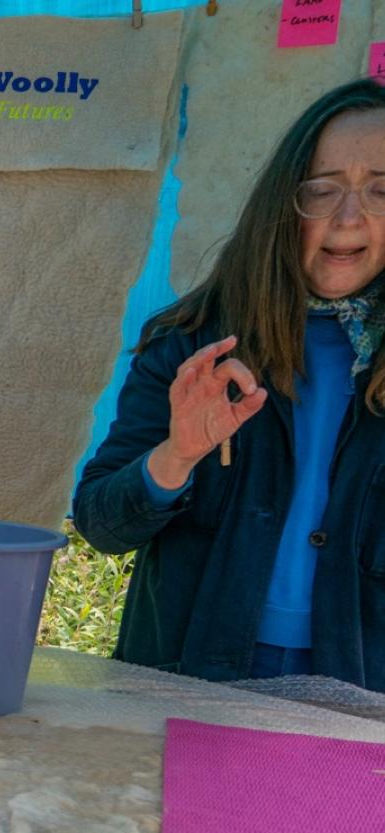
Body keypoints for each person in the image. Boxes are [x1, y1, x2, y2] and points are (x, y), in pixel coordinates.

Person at [74, 79, 385, 692]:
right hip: (185, 674)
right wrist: (176, 456)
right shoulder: (191, 341)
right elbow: (101, 524)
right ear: (283, 206)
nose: (348, 217)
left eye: (382, 190)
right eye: (322, 190)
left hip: (360, 688)